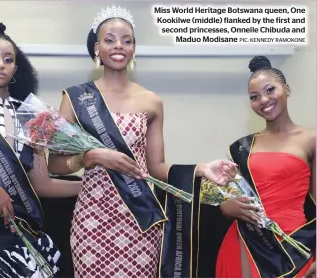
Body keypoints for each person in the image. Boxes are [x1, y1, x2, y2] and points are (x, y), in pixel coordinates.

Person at [47, 5, 238, 278]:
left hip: (140, 219)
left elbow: (157, 167)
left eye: (127, 40)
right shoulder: (75, 98)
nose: (119, 46)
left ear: (134, 49)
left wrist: (201, 169)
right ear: (96, 48)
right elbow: (55, 164)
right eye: (109, 39)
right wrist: (90, 158)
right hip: (92, 219)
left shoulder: (151, 101)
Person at [0, 22, 81, 277]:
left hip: (19, 228)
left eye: (8, 59)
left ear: (16, 69)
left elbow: (42, 185)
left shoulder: (32, 117)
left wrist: (91, 185)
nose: (0, 64)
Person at [216, 56, 316, 277]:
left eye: (270, 90)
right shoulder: (241, 148)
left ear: (287, 89)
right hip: (246, 241)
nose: (263, 99)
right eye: (254, 96)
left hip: (296, 245)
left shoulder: (312, 139)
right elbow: (228, 195)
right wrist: (225, 208)